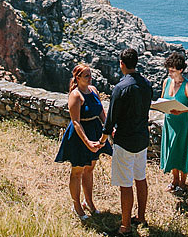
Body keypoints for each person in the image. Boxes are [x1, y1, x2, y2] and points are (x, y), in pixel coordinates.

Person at [100, 48, 152, 235]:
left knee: (125, 183)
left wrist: (105, 137)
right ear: (136, 63)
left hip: (125, 140)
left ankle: (125, 227)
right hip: (141, 139)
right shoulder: (146, 84)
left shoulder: (120, 88)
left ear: (122, 64)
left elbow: (111, 117)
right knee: (140, 177)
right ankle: (141, 216)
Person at [54, 63, 112, 220]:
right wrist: (87, 142)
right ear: (78, 78)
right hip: (80, 136)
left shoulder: (93, 90)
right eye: (86, 75)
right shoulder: (75, 95)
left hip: (94, 131)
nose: (90, 78)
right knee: (77, 170)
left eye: (90, 74)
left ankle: (89, 202)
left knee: (90, 168)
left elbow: (100, 110)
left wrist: (107, 129)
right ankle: (77, 206)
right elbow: (76, 122)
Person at [159, 51, 188, 193]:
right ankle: (174, 179)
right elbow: (163, 98)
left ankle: (182, 183)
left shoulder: (187, 86)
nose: (169, 73)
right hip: (169, 122)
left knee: (180, 151)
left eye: (172, 71)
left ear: (180, 70)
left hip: (181, 123)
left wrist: (182, 111)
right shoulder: (166, 82)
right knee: (171, 150)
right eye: (168, 70)